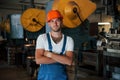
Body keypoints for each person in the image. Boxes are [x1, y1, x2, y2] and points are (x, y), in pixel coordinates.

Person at [35, 10, 74, 80]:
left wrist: (50, 54)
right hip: (44, 78)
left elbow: (69, 61)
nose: (55, 24)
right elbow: (38, 60)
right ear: (49, 23)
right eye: (52, 21)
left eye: (57, 20)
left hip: (61, 77)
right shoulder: (42, 38)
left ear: (61, 22)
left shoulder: (69, 40)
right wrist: (62, 58)